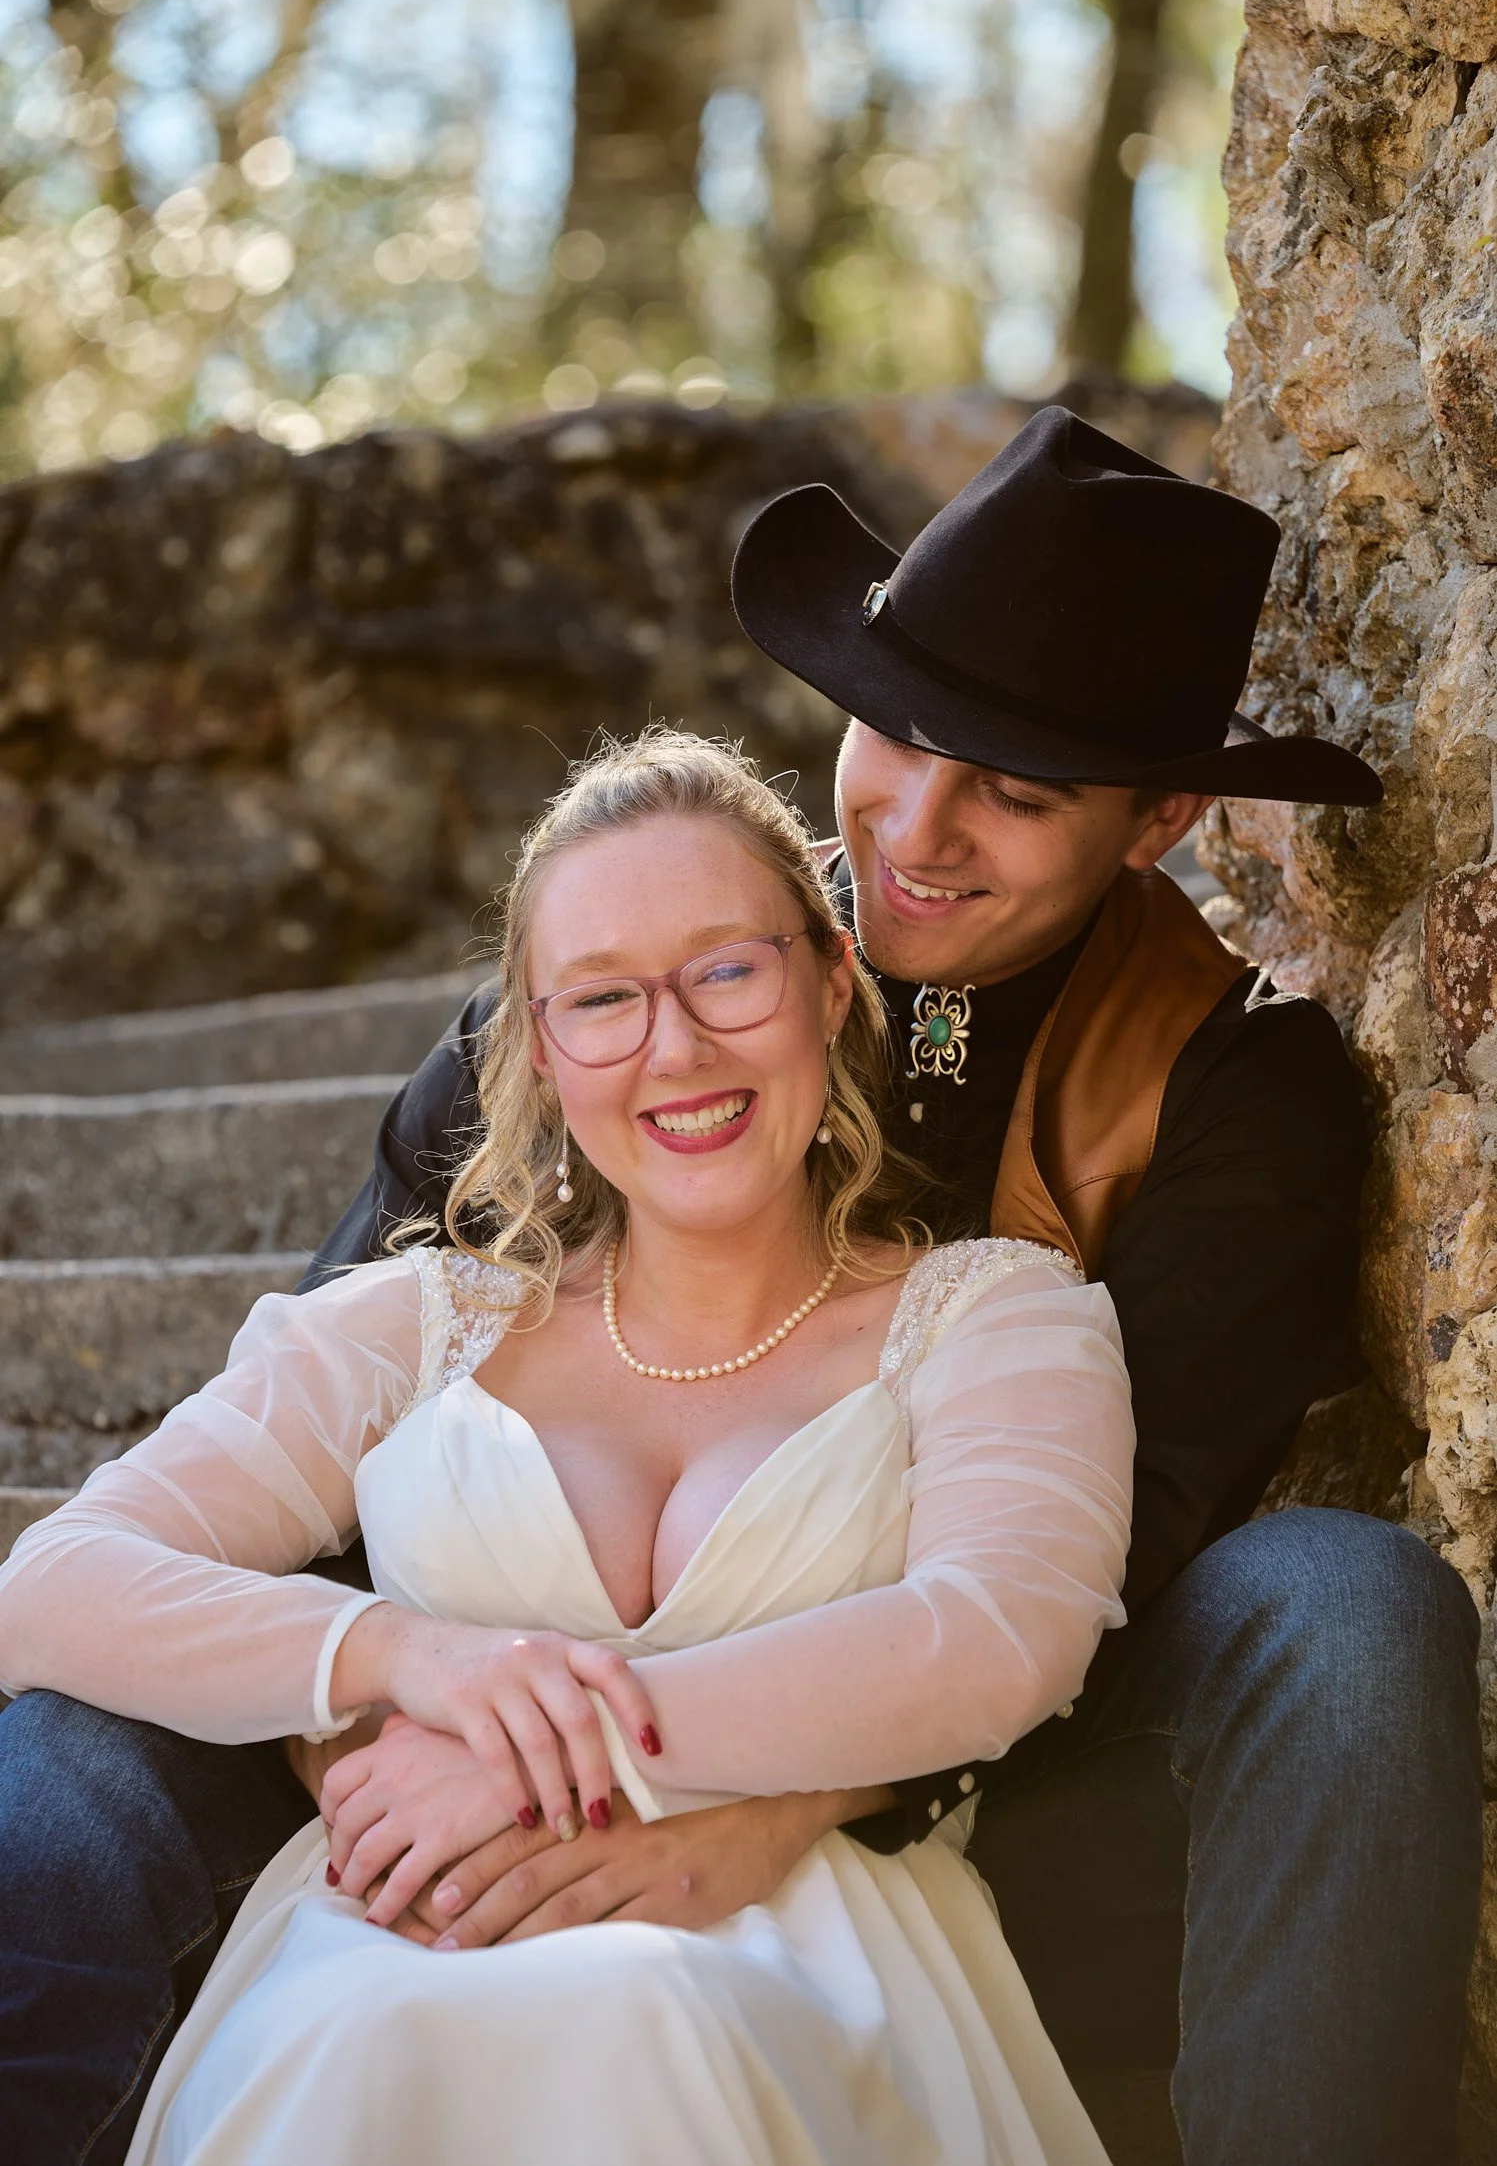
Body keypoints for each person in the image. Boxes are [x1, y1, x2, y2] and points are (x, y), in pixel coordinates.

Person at [0, 408, 1480, 2165]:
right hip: (451, 1723)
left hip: (960, 1759)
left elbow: (1101, 1554)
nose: (921, 826)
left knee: (1349, 1603)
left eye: (1017, 790)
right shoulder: (606, 987)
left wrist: (741, 1801)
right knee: (65, 1756)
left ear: (1161, 817)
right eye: (897, 737)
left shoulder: (1234, 1087)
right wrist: (394, 1739)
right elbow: (340, 1441)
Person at [0, 730, 1137, 2163]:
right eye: (603, 998)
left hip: (790, 1954)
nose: (676, 1046)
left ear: (833, 979)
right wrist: (412, 1660)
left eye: (728, 968)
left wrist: (564, 1752)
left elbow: (997, 1637)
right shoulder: (417, 1324)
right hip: (397, 1951)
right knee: (359, 2046)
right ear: (538, 1044)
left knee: (647, 2015)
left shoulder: (995, 1315)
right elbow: (51, 1583)